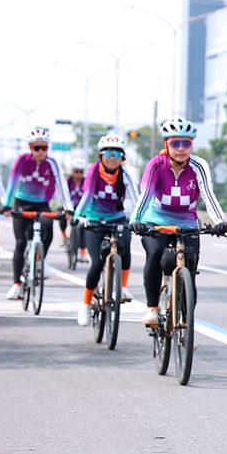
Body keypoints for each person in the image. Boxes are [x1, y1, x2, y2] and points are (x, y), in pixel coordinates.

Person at [129, 117, 227, 326]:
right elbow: (145, 195)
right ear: (166, 144)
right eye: (176, 143)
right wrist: (137, 220)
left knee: (190, 270)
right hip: (156, 221)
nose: (181, 148)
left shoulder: (199, 165)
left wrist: (220, 221)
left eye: (186, 143)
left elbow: (208, 195)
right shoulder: (156, 165)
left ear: (192, 145)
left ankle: (185, 322)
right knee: (155, 254)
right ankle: (152, 308)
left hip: (187, 223)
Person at [72, 134, 138, 327]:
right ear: (101, 155)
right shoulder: (93, 172)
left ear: (122, 157)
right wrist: (78, 216)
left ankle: (123, 287)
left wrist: (139, 218)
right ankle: (85, 304)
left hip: (118, 217)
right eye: (108, 153)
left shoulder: (125, 174)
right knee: (97, 262)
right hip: (95, 219)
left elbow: (135, 198)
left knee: (126, 246)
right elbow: (86, 196)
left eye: (117, 153)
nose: (112, 157)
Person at [3, 127, 72, 300]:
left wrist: (68, 207)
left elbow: (62, 183)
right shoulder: (22, 161)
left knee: (48, 227)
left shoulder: (52, 162)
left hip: (42, 204)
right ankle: (16, 284)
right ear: (30, 148)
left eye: (44, 148)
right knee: (20, 243)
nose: (41, 151)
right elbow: (12, 183)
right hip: (21, 203)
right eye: (37, 148)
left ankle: (40, 260)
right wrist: (6, 206)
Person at [63, 159, 89, 263]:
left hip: (82, 209)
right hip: (69, 207)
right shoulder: (67, 181)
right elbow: (64, 195)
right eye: (76, 171)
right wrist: (65, 208)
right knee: (61, 217)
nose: (78, 174)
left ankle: (83, 253)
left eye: (81, 172)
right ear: (72, 171)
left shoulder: (86, 182)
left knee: (83, 228)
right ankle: (64, 237)